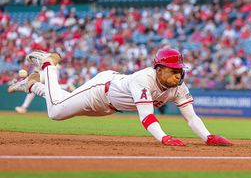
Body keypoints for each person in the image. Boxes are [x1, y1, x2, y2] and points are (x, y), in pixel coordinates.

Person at [7, 49, 233, 146]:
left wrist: (208, 137)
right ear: (159, 69)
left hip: (109, 107)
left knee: (61, 101)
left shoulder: (178, 87)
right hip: (99, 90)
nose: (178, 74)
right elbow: (146, 118)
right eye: (173, 70)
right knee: (55, 112)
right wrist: (164, 138)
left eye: (179, 70)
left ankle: (33, 85)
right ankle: (48, 64)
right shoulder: (143, 79)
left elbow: (191, 118)